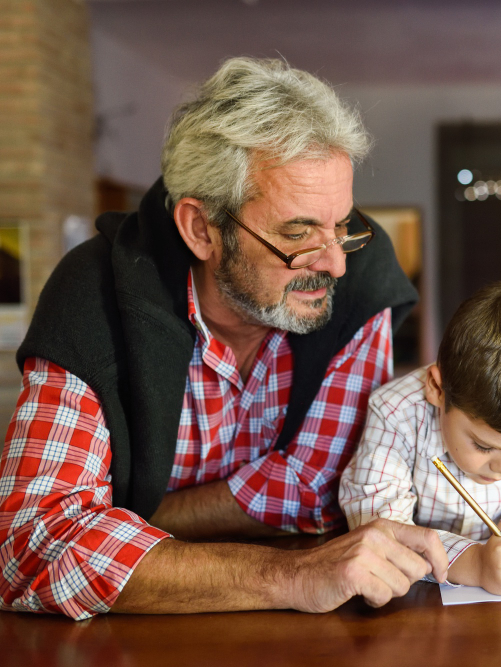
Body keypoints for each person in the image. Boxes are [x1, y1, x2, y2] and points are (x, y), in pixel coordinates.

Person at [0, 58, 449, 621]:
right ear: (200, 229)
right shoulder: (95, 293)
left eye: (341, 225)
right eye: (297, 233)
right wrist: (290, 574)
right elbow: (30, 545)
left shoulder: (361, 275)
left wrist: (122, 518)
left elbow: (320, 487)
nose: (334, 263)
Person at [339, 282, 501, 595]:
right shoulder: (396, 414)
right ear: (437, 389)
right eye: (483, 445)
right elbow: (378, 530)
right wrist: (475, 564)